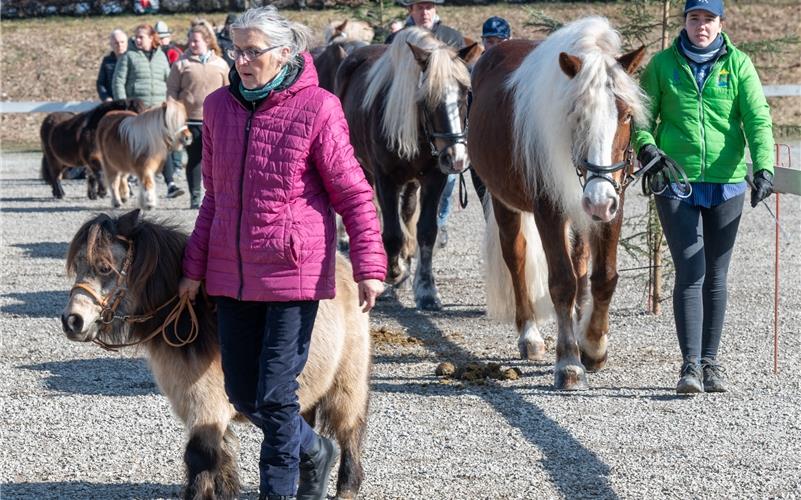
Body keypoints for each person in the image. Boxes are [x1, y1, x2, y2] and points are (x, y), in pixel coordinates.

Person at [177, 7, 386, 500]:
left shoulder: (318, 107)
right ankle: (314, 450)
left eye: (253, 51)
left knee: (274, 397)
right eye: (236, 50)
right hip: (230, 276)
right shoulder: (219, 108)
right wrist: (192, 268)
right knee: (243, 395)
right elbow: (214, 197)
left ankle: (281, 491)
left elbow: (354, 193)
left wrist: (369, 265)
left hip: (294, 273)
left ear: (286, 53)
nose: (242, 60)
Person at [633, 0, 774, 394]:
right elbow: (641, 118)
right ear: (685, 22)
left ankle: (711, 364)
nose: (702, 27)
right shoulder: (662, 65)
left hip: (727, 182)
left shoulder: (739, 64)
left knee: (716, 275)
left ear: (720, 23)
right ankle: (689, 367)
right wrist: (647, 149)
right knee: (691, 272)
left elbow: (757, 118)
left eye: (709, 19)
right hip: (676, 181)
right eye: (695, 18)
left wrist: (764, 166)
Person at [112, 23, 184, 199]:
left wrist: (169, 103)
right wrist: (124, 105)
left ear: (152, 38)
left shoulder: (161, 57)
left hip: (158, 110)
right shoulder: (128, 56)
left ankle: (170, 184)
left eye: (140, 37)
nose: (137, 40)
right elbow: (118, 81)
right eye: (135, 37)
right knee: (134, 147)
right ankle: (128, 179)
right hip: (137, 109)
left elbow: (169, 82)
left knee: (163, 146)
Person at [167, 21, 230, 209]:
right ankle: (195, 197)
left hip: (216, 122)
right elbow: (171, 92)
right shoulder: (181, 64)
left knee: (218, 162)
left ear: (208, 41)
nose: (192, 44)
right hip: (189, 121)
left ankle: (219, 196)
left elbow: (229, 92)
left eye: (196, 41)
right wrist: (175, 118)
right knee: (194, 160)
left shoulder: (221, 64)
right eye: (190, 40)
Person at [385, 0, 464, 48]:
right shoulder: (395, 39)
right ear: (410, 10)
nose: (425, 13)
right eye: (420, 8)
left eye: (428, 8)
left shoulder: (453, 38)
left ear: (435, 9)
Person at [97, 29, 128, 101]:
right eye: (116, 43)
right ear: (111, 44)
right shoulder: (107, 61)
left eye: (122, 42)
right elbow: (101, 83)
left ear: (127, 43)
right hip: (113, 102)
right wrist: (105, 97)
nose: (120, 45)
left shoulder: (133, 59)